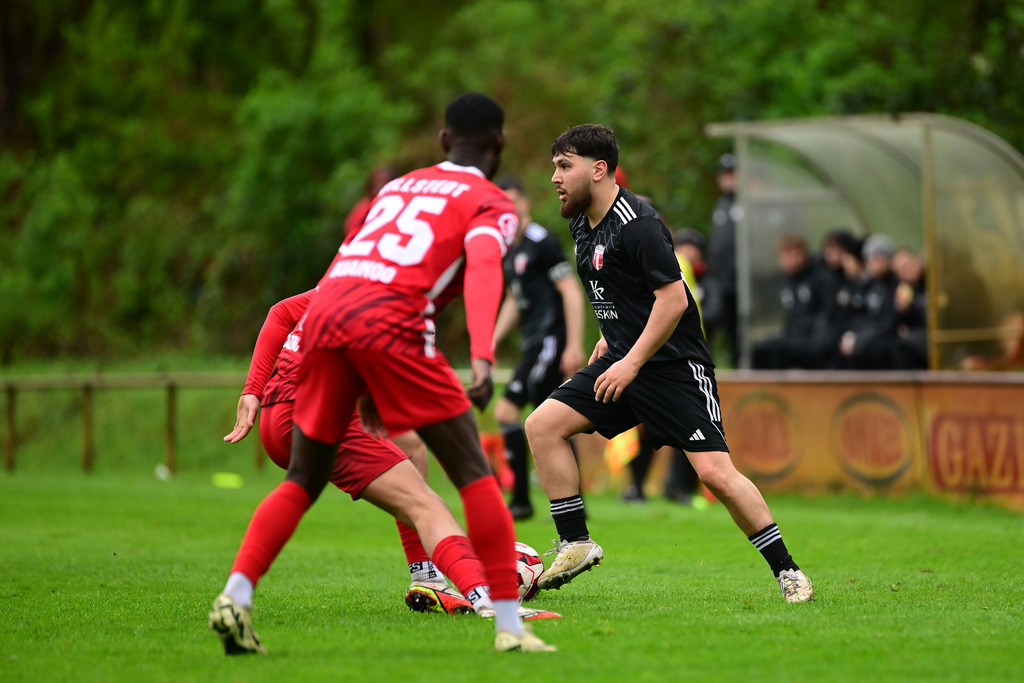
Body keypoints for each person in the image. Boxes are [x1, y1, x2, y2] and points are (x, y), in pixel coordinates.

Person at [208, 93, 556, 655]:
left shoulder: (396, 188)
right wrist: (485, 359)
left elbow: (350, 270)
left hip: (324, 321)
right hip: (391, 323)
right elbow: (485, 269)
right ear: (500, 144)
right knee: (472, 474)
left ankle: (236, 595)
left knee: (302, 479)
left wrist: (360, 378)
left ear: (443, 142)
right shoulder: (491, 200)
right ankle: (509, 626)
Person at [527, 124, 813, 604]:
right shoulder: (580, 219)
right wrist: (608, 339)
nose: (554, 177)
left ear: (598, 170)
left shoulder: (638, 223)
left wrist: (632, 360)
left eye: (564, 166)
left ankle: (788, 571)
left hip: (674, 368)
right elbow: (619, 288)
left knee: (715, 474)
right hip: (624, 357)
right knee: (542, 426)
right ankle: (576, 542)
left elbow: (673, 299)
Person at [221, 289, 561, 622]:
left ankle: (425, 575)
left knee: (407, 448)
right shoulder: (410, 290)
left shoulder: (364, 263)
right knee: (427, 506)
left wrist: (253, 389)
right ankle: (489, 599)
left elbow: (284, 312)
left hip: (279, 407)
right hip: (317, 409)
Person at [491, 176, 586, 521]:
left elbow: (571, 290)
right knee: (557, 419)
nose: (509, 210)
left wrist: (573, 345)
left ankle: (520, 501)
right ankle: (578, 502)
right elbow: (514, 300)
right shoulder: (510, 248)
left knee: (506, 411)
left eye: (513, 201)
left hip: (549, 341)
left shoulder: (541, 241)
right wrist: (491, 343)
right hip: (533, 341)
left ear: (525, 203)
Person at [752, 235, 831, 369]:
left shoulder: (819, 278)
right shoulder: (787, 283)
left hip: (810, 336)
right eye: (784, 257)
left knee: (779, 351)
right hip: (791, 335)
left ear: (803, 254)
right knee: (760, 350)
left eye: (792, 255)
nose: (789, 261)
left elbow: (825, 314)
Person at [703, 153, 740, 367]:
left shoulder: (745, 204)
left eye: (732, 173)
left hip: (740, 284)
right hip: (719, 281)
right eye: (725, 174)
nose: (728, 178)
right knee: (710, 326)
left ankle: (741, 372)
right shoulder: (721, 206)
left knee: (737, 334)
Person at [343, 165, 398, 237]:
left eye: (384, 183)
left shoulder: (400, 204)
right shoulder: (361, 210)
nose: (380, 187)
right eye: (377, 183)